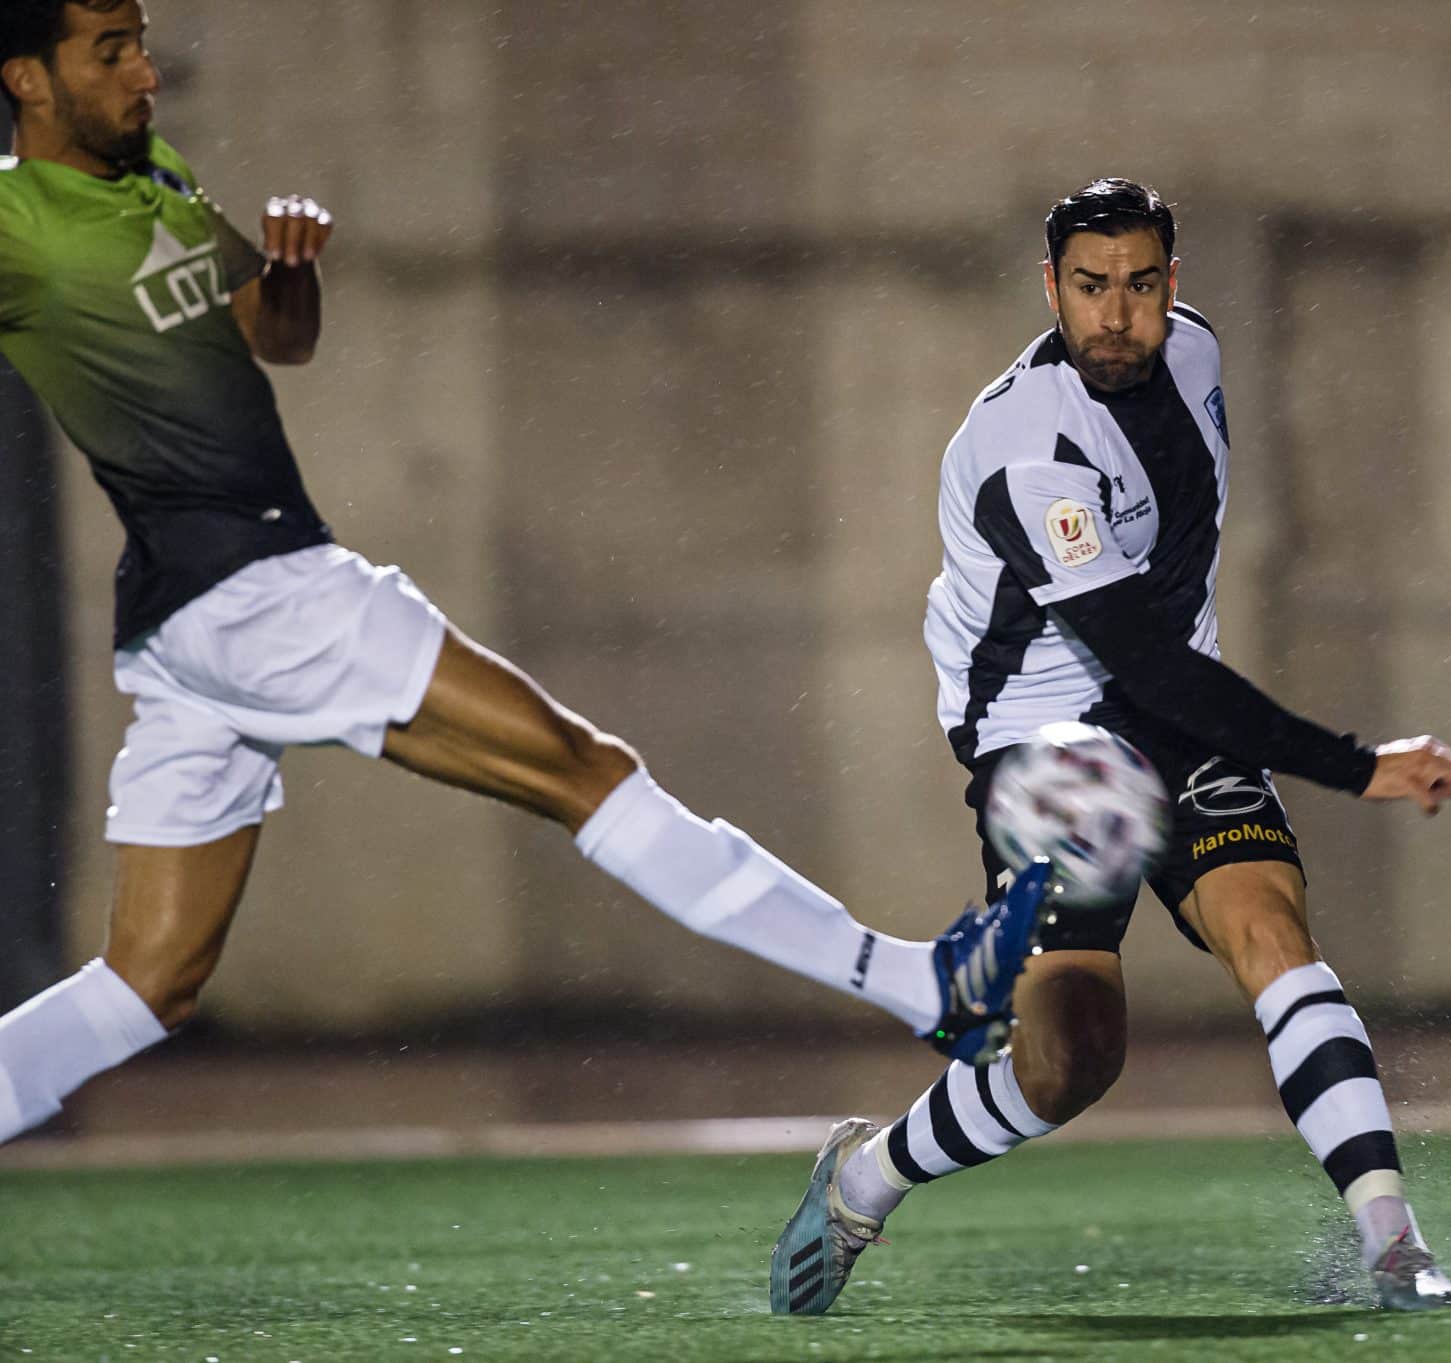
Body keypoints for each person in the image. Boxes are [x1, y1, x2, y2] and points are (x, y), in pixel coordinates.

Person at [0, 0, 1051, 1147]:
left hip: (190, 625)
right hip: (262, 593)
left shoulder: (150, 174)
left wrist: (291, 271)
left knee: (147, 981)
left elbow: (276, 335)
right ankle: (915, 982)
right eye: (111, 52)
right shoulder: (16, 220)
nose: (146, 72)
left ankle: (917, 982)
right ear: (27, 78)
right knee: (583, 772)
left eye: (141, 43)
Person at [769, 179, 1451, 1315]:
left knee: (1273, 934)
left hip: (1173, 715)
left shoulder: (1196, 352)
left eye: (1141, 285)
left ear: (1172, 284)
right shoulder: (1024, 448)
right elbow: (1139, 660)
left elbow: (1165, 651)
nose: (1116, 314)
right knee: (1068, 1064)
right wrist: (1353, 764)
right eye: (1090, 287)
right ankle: (862, 1178)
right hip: (1046, 745)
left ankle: (1393, 1243)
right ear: (1049, 288)